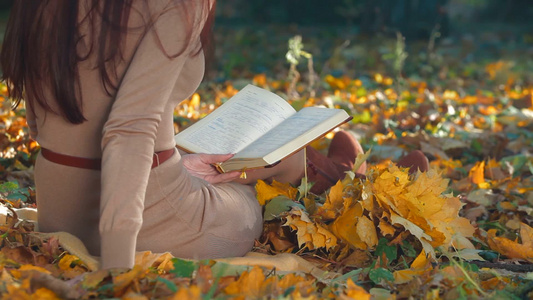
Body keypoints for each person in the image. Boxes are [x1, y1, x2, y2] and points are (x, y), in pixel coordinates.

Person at [0, 0, 428, 270]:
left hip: (61, 201)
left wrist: (171, 165)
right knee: (265, 171)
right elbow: (129, 129)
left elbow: (46, 117)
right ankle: (346, 180)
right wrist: (118, 267)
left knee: (204, 154)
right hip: (145, 222)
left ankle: (336, 171)